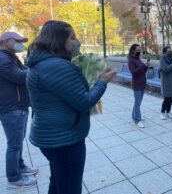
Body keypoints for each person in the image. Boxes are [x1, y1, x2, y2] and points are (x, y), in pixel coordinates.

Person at [26, 20, 116, 194]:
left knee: (58, 183)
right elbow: (84, 102)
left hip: (52, 137)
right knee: (70, 188)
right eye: (72, 37)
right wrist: (102, 82)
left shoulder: (41, 63)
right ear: (59, 40)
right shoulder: (57, 66)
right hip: (65, 140)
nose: (77, 42)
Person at [0, 32, 38, 189]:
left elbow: (23, 70)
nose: (21, 44)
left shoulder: (9, 56)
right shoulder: (2, 59)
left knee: (18, 141)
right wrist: (37, 68)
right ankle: (14, 178)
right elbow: (19, 76)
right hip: (11, 108)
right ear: (7, 41)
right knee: (14, 144)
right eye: (18, 41)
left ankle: (20, 166)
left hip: (18, 106)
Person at [128, 44, 149, 128]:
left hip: (142, 82)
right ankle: (137, 120)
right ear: (133, 50)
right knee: (137, 102)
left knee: (138, 102)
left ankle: (134, 116)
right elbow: (134, 73)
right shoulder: (131, 60)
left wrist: (146, 66)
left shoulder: (138, 59)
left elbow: (142, 71)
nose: (139, 51)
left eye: (140, 49)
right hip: (136, 84)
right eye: (137, 49)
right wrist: (143, 66)